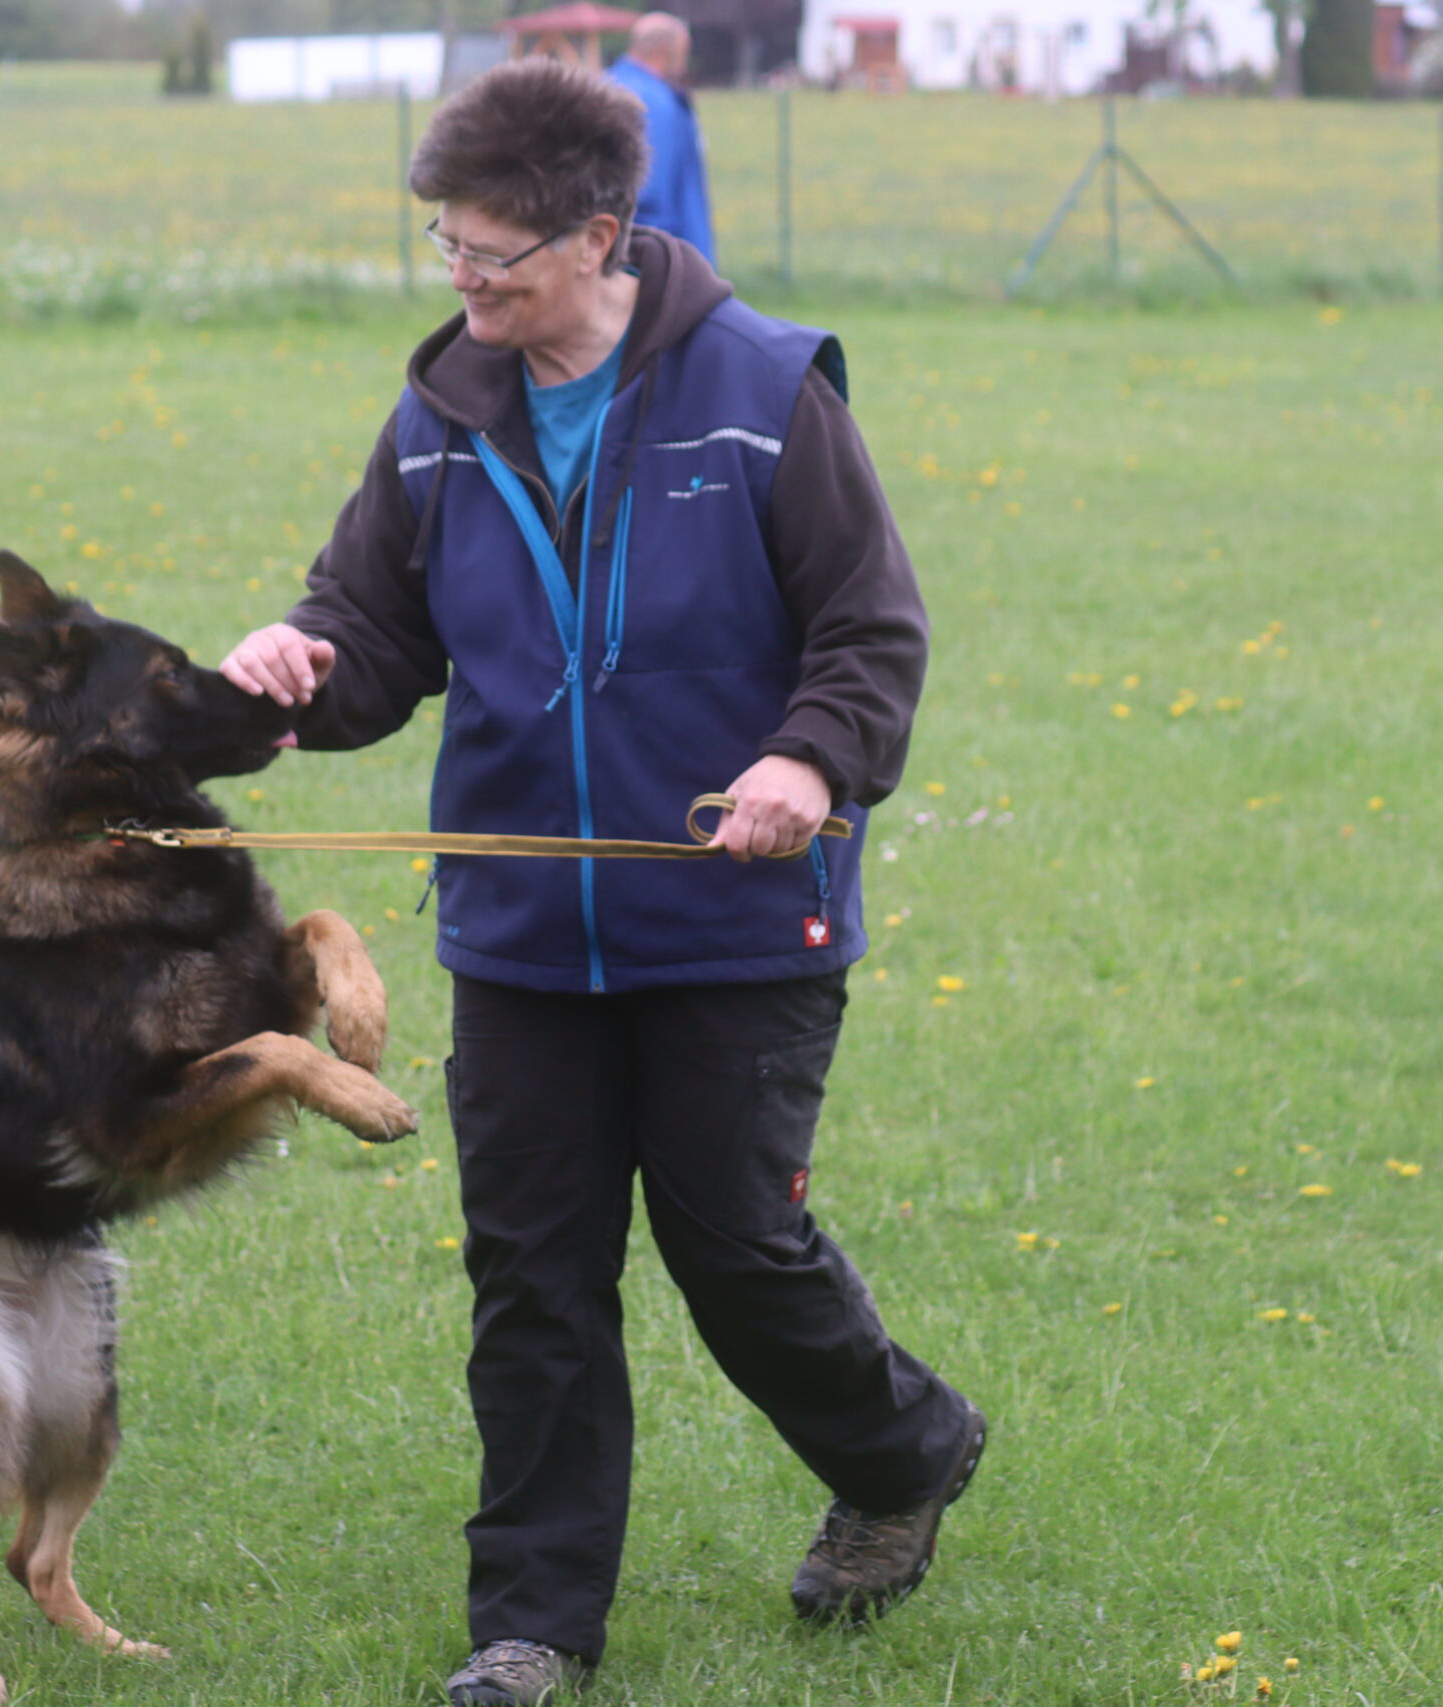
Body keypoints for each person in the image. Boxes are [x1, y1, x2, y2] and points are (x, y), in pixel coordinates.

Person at [219, 58, 983, 1707]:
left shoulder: (762, 389)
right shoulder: (439, 419)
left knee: (735, 1246)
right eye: (446, 244)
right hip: (520, 937)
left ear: (599, 235)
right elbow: (371, 633)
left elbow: (871, 627)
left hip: (734, 922)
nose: (465, 279)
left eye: (494, 253)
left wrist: (809, 762)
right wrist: (293, 674)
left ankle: (905, 1450)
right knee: (534, 1273)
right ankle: (534, 1623)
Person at [607, 13, 715, 264]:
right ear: (664, 50)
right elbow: (650, 194)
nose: (684, 65)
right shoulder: (655, 102)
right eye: (683, 54)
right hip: (657, 259)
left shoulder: (604, 84)